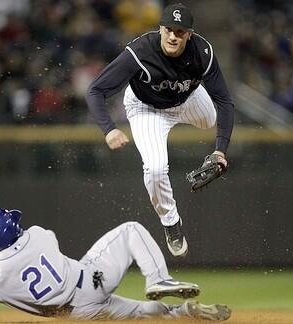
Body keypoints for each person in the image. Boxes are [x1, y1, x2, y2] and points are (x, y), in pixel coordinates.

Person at [0, 208, 232, 322]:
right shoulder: (38, 235)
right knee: (131, 230)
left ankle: (182, 312)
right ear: (14, 229)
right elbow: (35, 241)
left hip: (76, 313)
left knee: (140, 314)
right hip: (91, 280)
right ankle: (160, 280)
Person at [86, 3, 234, 257]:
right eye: (169, 30)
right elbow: (95, 90)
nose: (173, 36)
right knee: (155, 169)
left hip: (187, 100)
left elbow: (224, 102)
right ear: (160, 29)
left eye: (180, 31)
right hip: (147, 108)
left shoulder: (203, 52)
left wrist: (220, 150)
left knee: (210, 119)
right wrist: (109, 129)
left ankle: (196, 114)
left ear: (190, 34)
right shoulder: (140, 51)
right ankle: (171, 223)